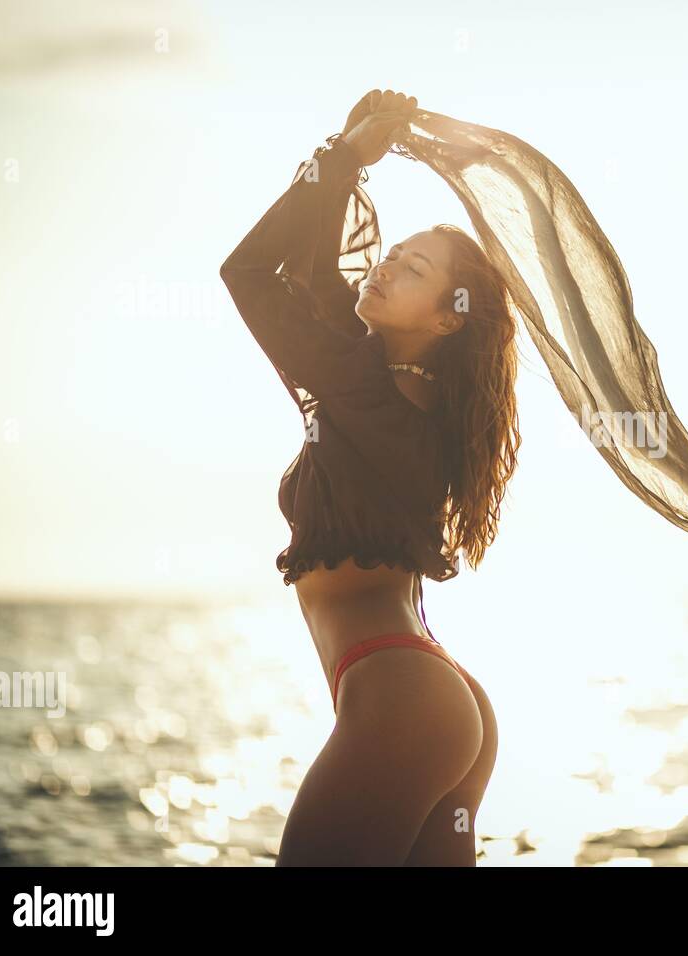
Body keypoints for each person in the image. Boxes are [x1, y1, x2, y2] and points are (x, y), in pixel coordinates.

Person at [219, 90, 521, 865]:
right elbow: (319, 279)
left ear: (448, 317)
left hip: (404, 701)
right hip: (430, 697)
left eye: (412, 268)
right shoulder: (390, 392)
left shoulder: (363, 387)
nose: (386, 261)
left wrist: (345, 159)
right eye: (391, 252)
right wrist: (345, 151)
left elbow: (252, 270)